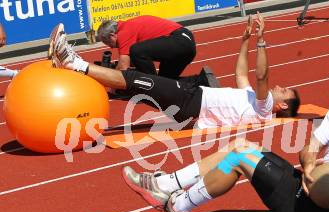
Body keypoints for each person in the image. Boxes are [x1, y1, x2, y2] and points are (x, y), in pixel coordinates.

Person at [121, 55, 329, 212]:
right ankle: (174, 198)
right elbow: (312, 144)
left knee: (239, 156)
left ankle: (172, 196)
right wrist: (310, 163)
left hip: (323, 211)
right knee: (236, 150)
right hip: (304, 185)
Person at [49, 14, 300, 129]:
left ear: (282, 107)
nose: (280, 87)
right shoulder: (254, 102)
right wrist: (245, 41)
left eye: (285, 91)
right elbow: (242, 75)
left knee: (138, 78)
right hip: (193, 96)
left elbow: (261, 76)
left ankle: (73, 63)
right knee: (141, 81)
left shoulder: (265, 108)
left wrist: (262, 40)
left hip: (191, 103)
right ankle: (75, 64)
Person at [96, 15, 196, 80]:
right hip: (186, 43)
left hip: (179, 40)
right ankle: (201, 80)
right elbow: (134, 61)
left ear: (112, 35)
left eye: (108, 42)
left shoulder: (124, 31)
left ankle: (153, 86)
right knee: (166, 82)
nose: (110, 47)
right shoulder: (130, 26)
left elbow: (123, 66)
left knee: (136, 50)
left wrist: (108, 77)